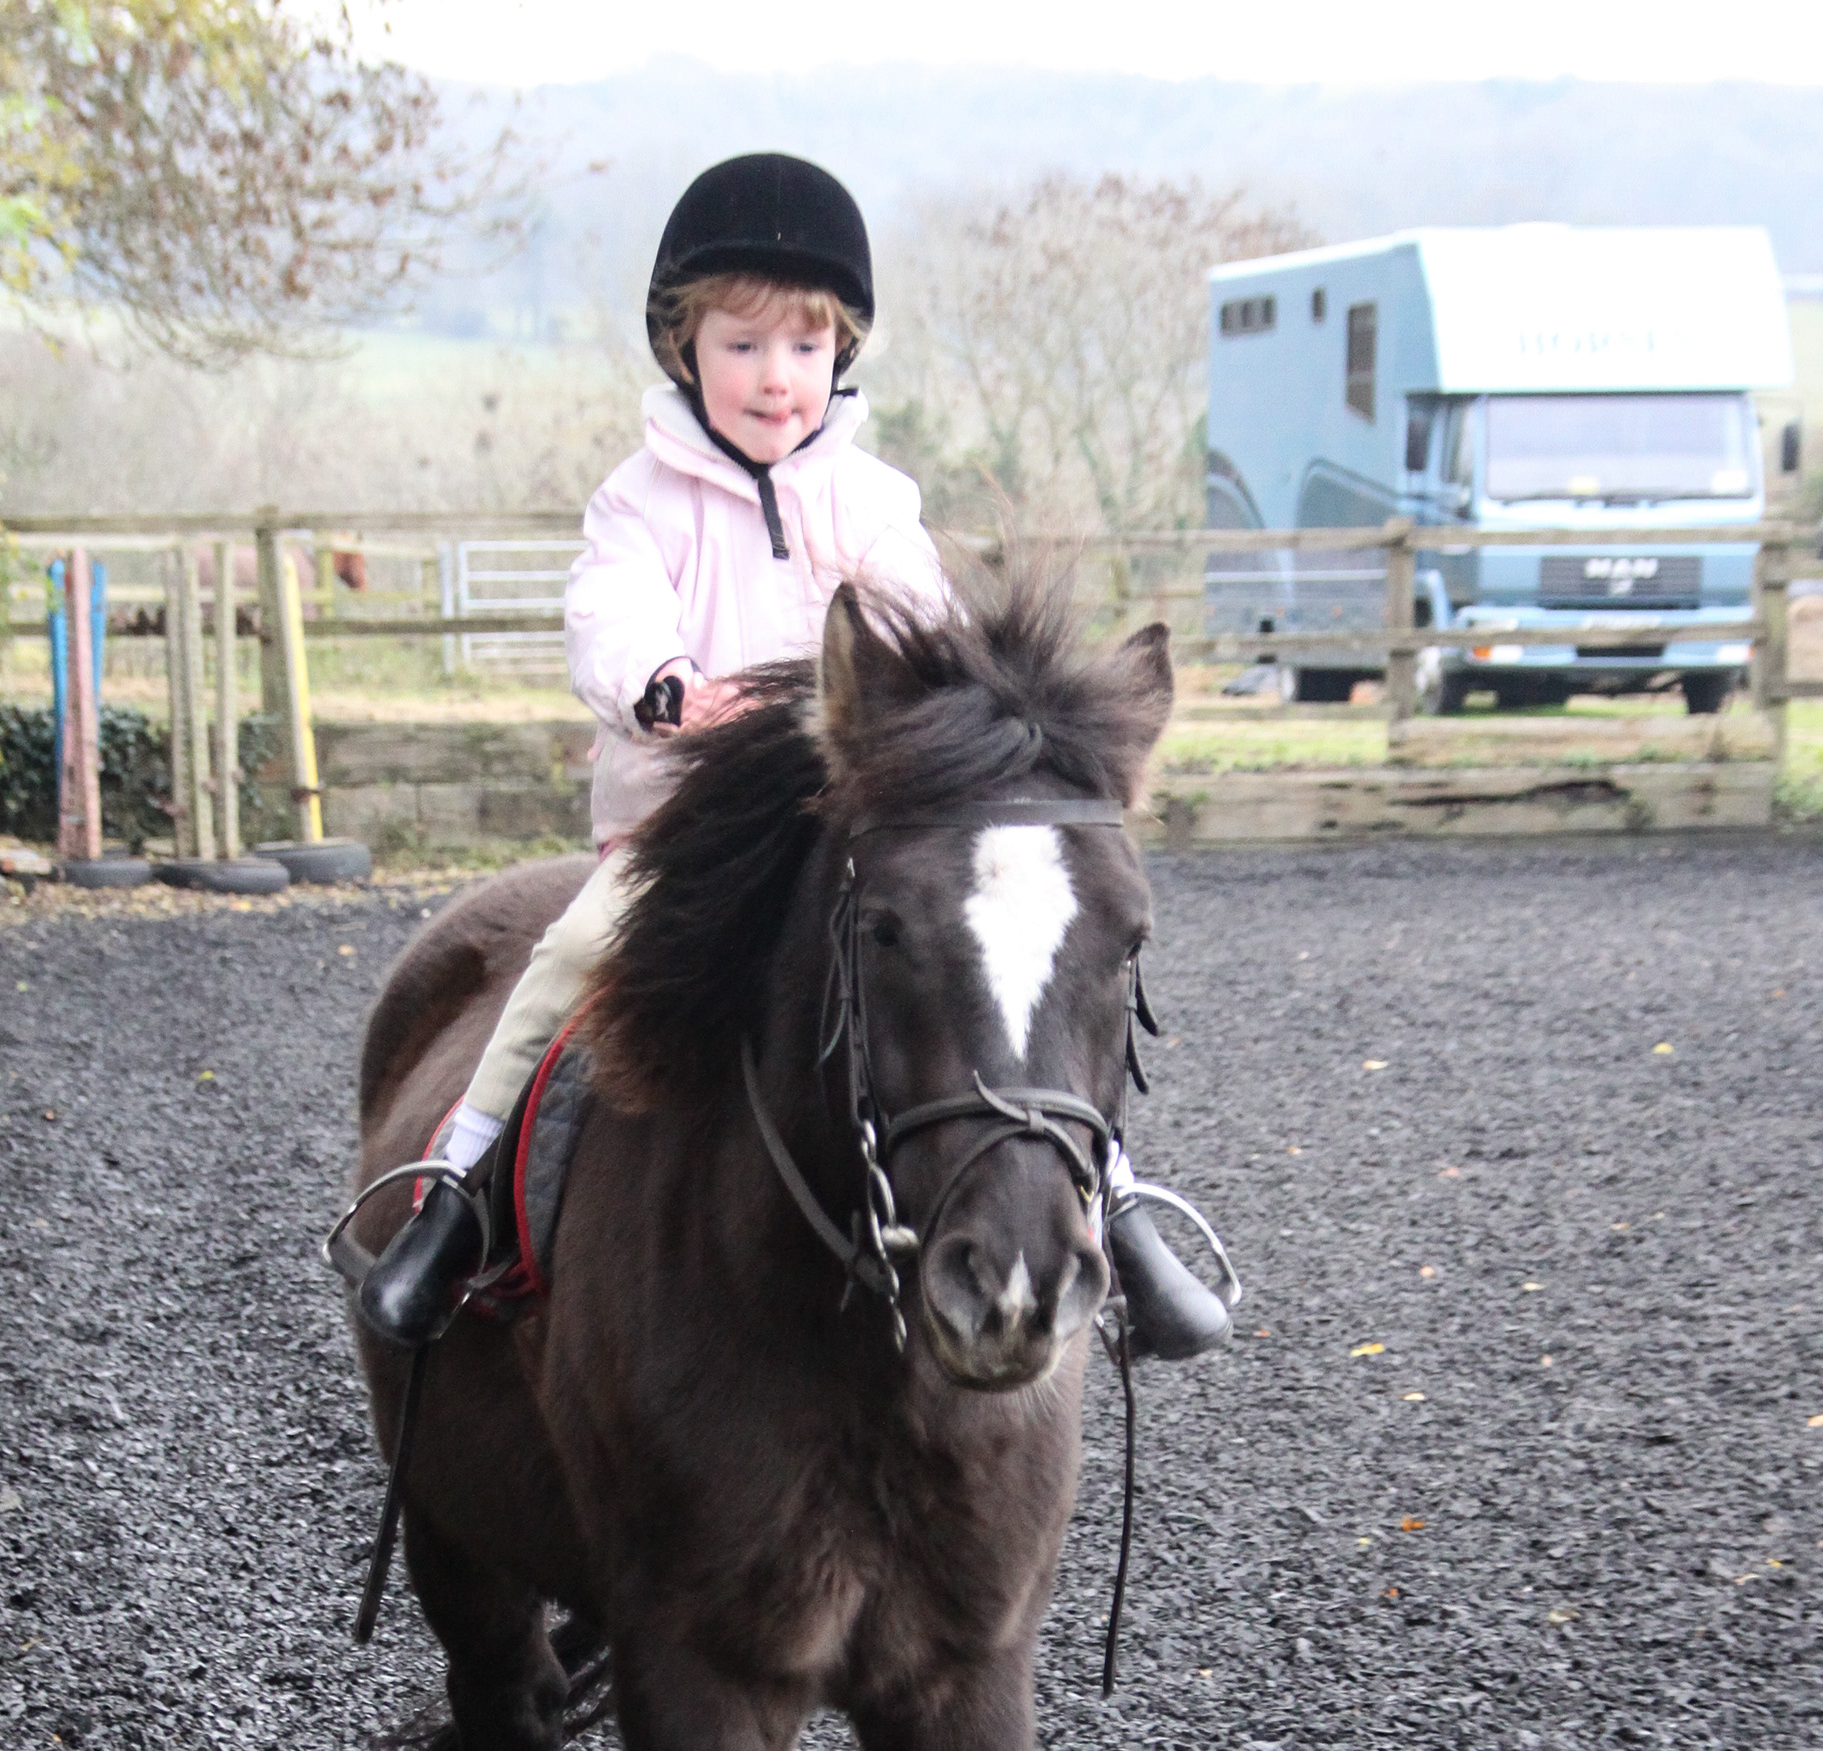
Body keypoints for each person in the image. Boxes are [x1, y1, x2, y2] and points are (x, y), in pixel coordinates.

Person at [357, 152, 1230, 1364]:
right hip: (685, 835)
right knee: (564, 956)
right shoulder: (637, 505)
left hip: (855, 826)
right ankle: (455, 1192)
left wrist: (954, 726)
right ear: (685, 351)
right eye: (744, 347)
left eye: (805, 350)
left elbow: (926, 637)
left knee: (998, 985)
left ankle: (1111, 1204)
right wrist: (667, 689)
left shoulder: (872, 505)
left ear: (840, 357)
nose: (778, 380)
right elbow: (607, 620)